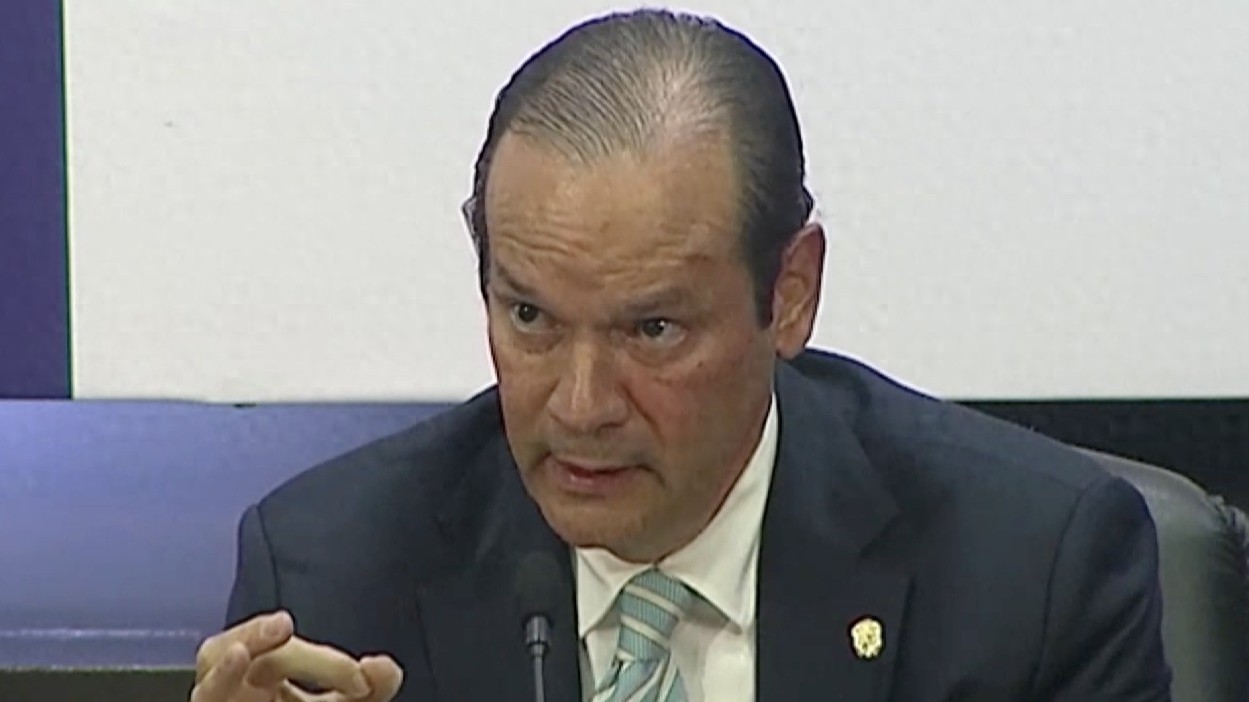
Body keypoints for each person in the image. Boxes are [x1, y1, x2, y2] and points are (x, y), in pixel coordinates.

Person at [191, 8, 1171, 702]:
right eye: (529, 317)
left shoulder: (1029, 575)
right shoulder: (334, 577)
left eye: (651, 330)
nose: (580, 405)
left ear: (789, 294)